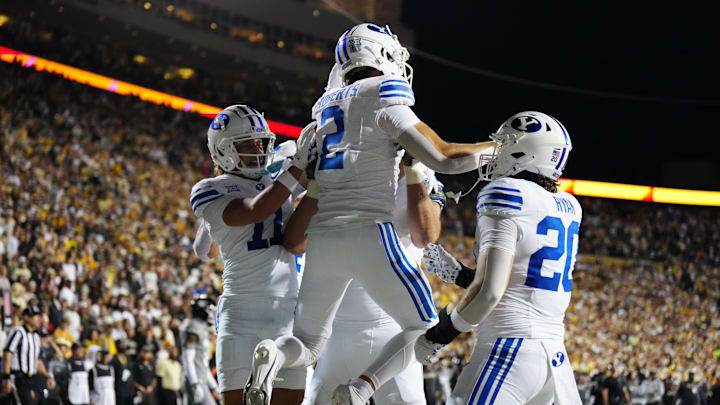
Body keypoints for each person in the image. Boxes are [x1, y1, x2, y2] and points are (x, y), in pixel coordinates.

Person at [244, 23, 496, 405]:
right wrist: (499, 149)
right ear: (383, 56)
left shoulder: (319, 118)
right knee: (427, 326)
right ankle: (362, 389)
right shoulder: (384, 93)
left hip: (325, 240)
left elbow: (292, 221)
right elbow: (444, 156)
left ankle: (275, 354)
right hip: (369, 236)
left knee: (307, 345)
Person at [412, 111, 583, 405]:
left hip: (508, 351)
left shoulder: (506, 191)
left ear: (528, 152)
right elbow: (522, 283)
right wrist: (462, 275)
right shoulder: (570, 205)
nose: (497, 152)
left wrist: (440, 334)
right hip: (553, 359)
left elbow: (490, 292)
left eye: (506, 144)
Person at [286, 144, 446, 404]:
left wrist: (413, 171)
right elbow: (297, 242)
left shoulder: (419, 171)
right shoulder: (341, 168)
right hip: (339, 328)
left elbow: (425, 236)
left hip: (394, 328)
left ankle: (278, 354)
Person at [190, 104, 313, 405]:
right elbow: (256, 209)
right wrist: (297, 166)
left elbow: (203, 250)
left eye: (261, 142)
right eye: (247, 144)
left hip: (284, 309)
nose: (259, 149)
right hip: (244, 313)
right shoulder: (209, 188)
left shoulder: (275, 180)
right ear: (223, 151)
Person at [2, 304, 56, 405]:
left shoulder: (35, 336)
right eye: (35, 316)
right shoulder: (18, 332)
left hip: (32, 378)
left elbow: (37, 360)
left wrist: (47, 376)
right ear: (26, 318)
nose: (38, 319)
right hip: (18, 377)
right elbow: (7, 353)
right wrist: (6, 377)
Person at [181, 296, 220, 405]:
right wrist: (194, 383)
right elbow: (187, 358)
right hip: (195, 380)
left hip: (200, 379)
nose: (212, 314)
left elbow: (203, 364)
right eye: (210, 310)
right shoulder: (195, 327)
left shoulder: (202, 328)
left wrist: (214, 387)